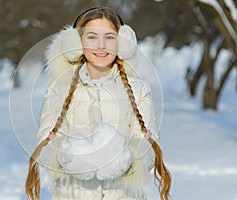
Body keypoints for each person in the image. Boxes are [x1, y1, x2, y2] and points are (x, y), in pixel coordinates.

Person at [26, 7, 171, 200]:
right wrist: (70, 157)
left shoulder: (139, 89)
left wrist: (124, 160)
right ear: (76, 43)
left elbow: (148, 144)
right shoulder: (59, 88)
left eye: (110, 37)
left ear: (122, 43)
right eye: (92, 37)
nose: (101, 45)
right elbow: (47, 143)